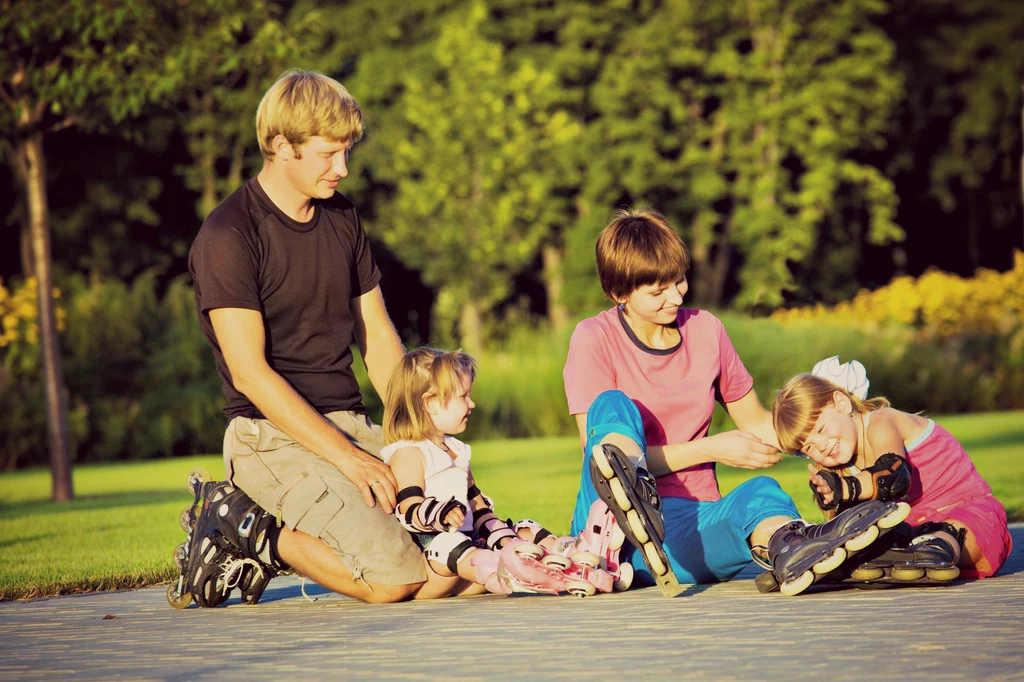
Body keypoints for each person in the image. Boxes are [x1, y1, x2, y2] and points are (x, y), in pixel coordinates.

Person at [174, 69, 459, 608]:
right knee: (394, 583)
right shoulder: (228, 235)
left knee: (455, 556)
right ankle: (245, 527)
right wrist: (350, 461)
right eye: (329, 154)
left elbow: (376, 336)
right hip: (270, 438)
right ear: (282, 146)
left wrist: (418, 435)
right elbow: (250, 373)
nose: (343, 169)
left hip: (350, 425)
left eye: (347, 151)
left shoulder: (342, 218)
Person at [562, 208, 910, 597]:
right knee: (612, 406)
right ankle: (631, 486)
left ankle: (795, 549)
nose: (676, 296)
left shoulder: (706, 330)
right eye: (657, 291)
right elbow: (595, 459)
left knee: (761, 492)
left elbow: (759, 424)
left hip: (685, 525)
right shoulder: (594, 338)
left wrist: (836, 432)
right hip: (606, 534)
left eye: (679, 281)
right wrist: (711, 448)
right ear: (618, 293)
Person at [380, 347, 622, 596]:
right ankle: (517, 574)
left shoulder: (456, 451)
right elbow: (407, 509)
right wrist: (440, 513)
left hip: (472, 547)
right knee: (449, 543)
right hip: (438, 555)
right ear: (430, 404)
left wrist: (509, 541)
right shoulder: (409, 453)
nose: (471, 403)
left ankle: (570, 555)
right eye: (463, 396)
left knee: (525, 527)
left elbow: (479, 510)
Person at [772, 370, 1012, 582]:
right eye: (809, 448)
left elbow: (894, 477)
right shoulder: (842, 464)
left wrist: (845, 488)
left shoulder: (881, 421)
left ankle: (934, 551)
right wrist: (832, 497)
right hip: (913, 530)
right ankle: (825, 561)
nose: (821, 447)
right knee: (871, 537)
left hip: (971, 518)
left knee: (947, 532)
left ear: (841, 403)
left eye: (821, 430)